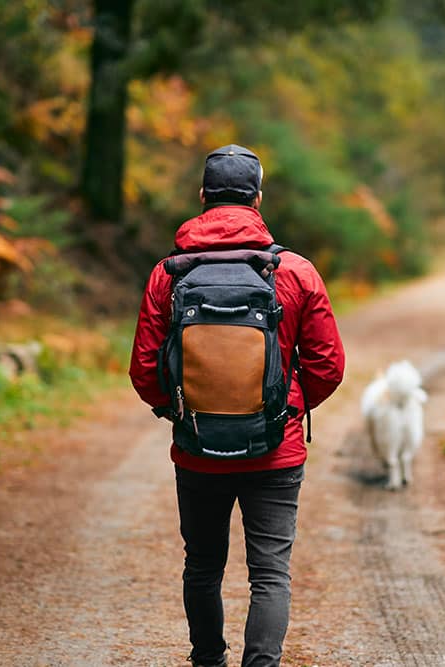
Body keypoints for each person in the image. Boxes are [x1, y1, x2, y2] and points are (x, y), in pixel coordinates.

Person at [129, 144, 346, 667]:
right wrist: (285, 409)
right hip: (275, 451)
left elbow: (144, 369)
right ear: (257, 197)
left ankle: (208, 661)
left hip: (198, 448)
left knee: (202, 566)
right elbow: (328, 366)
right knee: (270, 572)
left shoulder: (170, 274)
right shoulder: (293, 272)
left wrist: (182, 409)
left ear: (203, 196)